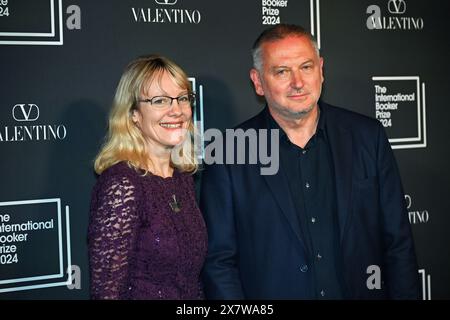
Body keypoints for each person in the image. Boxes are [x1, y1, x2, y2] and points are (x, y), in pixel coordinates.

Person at [200, 24, 419, 299]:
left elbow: (397, 243)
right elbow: (219, 263)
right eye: (282, 71)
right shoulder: (228, 152)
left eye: (306, 67)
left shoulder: (367, 137)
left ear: (321, 69)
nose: (298, 82)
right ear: (258, 81)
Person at [88, 54, 207, 299]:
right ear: (134, 114)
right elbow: (106, 293)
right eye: (160, 100)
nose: (177, 110)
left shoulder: (181, 178)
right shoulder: (122, 184)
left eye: (182, 98)